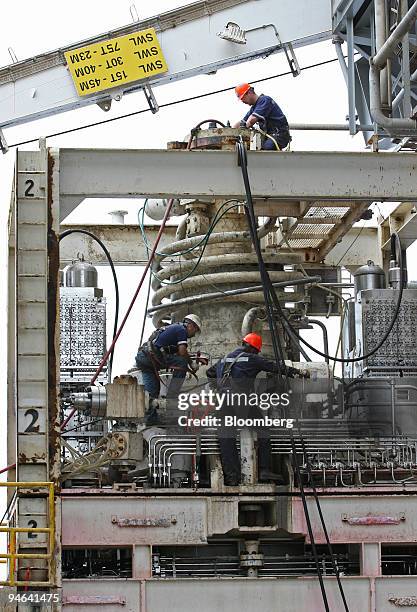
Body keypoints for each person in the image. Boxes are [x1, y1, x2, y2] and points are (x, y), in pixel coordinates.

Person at [207, 333, 299, 486]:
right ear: (253, 348)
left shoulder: (224, 359)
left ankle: (232, 477)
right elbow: (275, 367)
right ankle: (264, 469)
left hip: (223, 402)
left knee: (226, 438)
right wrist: (296, 372)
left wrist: (219, 387)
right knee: (263, 429)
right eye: (257, 351)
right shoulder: (252, 358)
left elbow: (210, 372)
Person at [135, 314, 202, 425]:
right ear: (190, 325)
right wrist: (191, 364)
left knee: (153, 392)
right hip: (150, 358)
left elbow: (173, 351)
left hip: (144, 359)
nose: (194, 334)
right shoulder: (181, 330)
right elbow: (182, 352)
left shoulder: (173, 329)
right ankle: (173, 394)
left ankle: (151, 419)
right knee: (182, 362)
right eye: (195, 330)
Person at [233, 83, 291, 150]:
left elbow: (252, 120)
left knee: (264, 151)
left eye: (243, 97)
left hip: (279, 134)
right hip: (270, 136)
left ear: (250, 92)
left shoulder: (265, 100)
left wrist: (242, 130)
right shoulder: (254, 108)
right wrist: (230, 131)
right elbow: (242, 122)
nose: (242, 101)